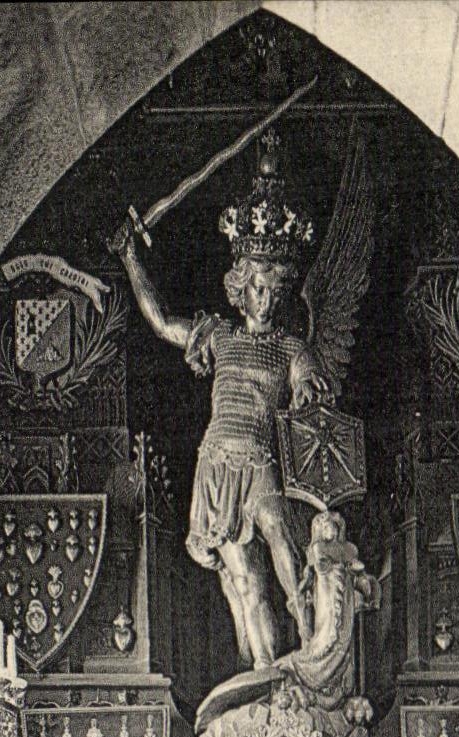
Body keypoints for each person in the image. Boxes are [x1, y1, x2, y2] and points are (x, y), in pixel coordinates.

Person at [116, 136, 330, 670]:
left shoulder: (290, 346)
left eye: (276, 286)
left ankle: (309, 635)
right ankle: (264, 670)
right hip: (215, 463)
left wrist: (307, 388)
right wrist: (129, 259)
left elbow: (311, 381)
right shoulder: (219, 336)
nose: (268, 295)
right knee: (243, 580)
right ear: (240, 286)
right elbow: (163, 321)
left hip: (259, 461)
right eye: (258, 285)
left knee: (281, 532)